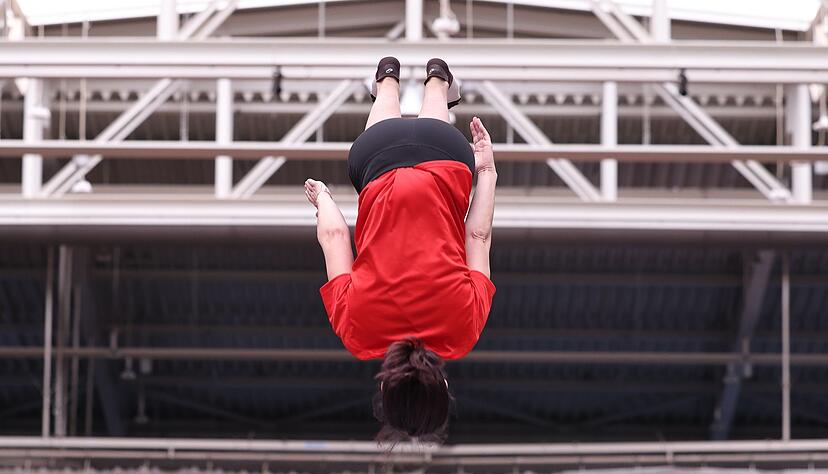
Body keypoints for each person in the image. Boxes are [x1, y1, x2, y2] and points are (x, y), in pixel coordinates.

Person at [304, 57, 497, 442]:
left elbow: (477, 237)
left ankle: (437, 82)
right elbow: (335, 238)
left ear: (442, 387)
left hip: (445, 154)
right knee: (382, 139)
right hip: (379, 158)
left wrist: (487, 171)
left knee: (434, 133)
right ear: (382, 388)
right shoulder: (356, 334)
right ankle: (387, 80)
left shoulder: (464, 333)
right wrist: (323, 198)